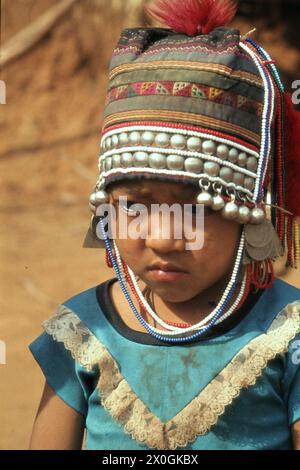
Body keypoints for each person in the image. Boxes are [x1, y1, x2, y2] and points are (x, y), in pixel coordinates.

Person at [29, 0, 300, 450]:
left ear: (247, 210)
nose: (163, 238)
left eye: (201, 207)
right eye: (134, 206)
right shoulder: (82, 331)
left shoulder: (288, 333)